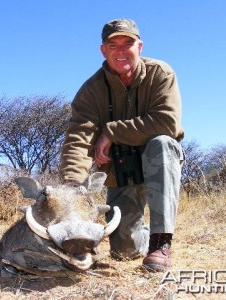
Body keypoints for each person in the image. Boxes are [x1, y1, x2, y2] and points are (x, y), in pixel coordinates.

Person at [60, 18, 184, 271]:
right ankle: (142, 234)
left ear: (139, 46)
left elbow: (167, 122)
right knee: (123, 251)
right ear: (103, 50)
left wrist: (111, 132)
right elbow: (78, 139)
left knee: (162, 143)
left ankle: (161, 243)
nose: (120, 50)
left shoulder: (161, 73)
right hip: (120, 170)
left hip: (157, 160)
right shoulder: (91, 90)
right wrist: (71, 188)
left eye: (127, 43)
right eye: (112, 45)